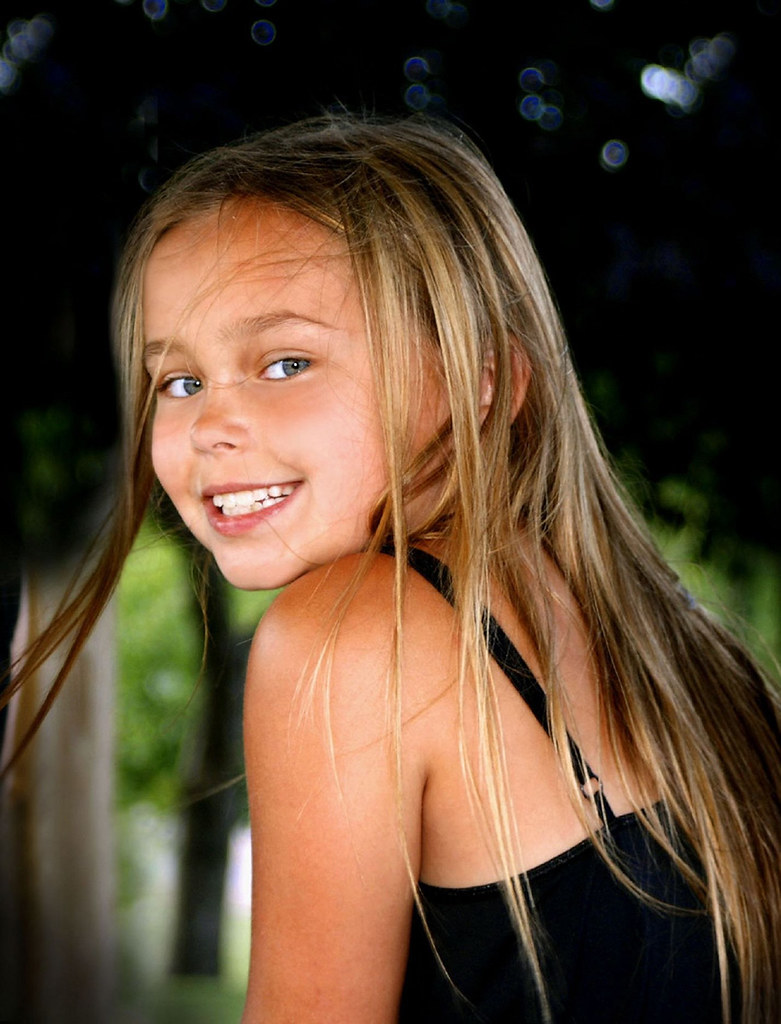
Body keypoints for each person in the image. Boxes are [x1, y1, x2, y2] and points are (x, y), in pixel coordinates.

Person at [5, 113, 781, 1022]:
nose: (209, 424)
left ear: (473, 382)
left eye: (285, 362)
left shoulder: (350, 634)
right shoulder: (687, 648)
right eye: (177, 382)